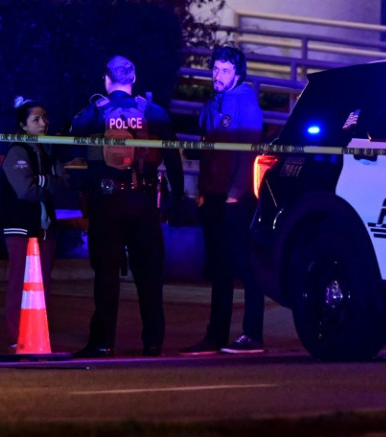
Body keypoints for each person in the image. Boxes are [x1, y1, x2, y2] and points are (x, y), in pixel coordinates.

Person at [70, 55, 184, 358]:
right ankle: (153, 342)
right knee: (149, 276)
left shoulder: (94, 112)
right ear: (133, 79)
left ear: (106, 80)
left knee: (106, 274)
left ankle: (102, 342)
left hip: (107, 203)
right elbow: (173, 157)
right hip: (145, 203)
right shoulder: (154, 112)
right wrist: (176, 197)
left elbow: (70, 145)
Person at [181, 46, 265, 355]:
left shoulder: (247, 105)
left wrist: (235, 193)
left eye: (225, 70)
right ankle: (215, 336)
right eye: (215, 69)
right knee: (219, 268)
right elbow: (206, 154)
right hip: (213, 196)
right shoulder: (210, 105)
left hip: (235, 200)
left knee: (245, 266)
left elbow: (249, 154)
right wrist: (203, 191)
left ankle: (253, 335)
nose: (218, 75)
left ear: (237, 74)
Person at [1, 97, 70, 352]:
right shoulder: (18, 151)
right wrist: (47, 182)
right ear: (23, 125)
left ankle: (37, 333)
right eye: (36, 119)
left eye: (44, 118)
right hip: (21, 228)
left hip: (45, 230)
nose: (44, 123)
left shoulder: (49, 151)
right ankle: (16, 336)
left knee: (42, 288)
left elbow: (64, 183)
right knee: (20, 283)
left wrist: (43, 181)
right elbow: (24, 190)